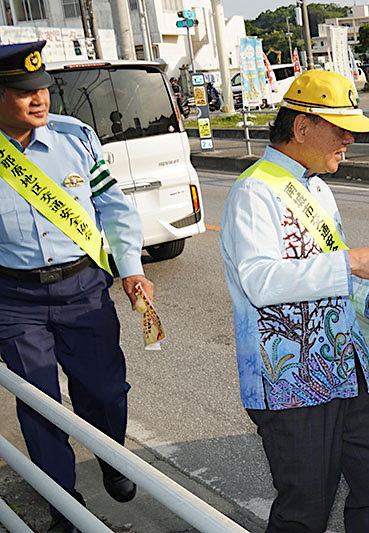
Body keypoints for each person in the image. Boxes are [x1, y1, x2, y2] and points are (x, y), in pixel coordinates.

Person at [219, 69, 369, 533]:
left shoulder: (316, 186)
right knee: (305, 512)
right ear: (302, 127)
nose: (348, 140)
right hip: (293, 385)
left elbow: (322, 273)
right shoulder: (254, 191)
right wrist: (351, 263)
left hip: (348, 371)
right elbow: (261, 281)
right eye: (340, 129)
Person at [0, 41, 153, 533]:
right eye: (24, 92)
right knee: (40, 406)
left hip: (84, 288)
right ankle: (63, 507)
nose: (39, 99)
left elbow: (115, 207)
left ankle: (111, 458)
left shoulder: (76, 138)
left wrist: (130, 268)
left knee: (105, 392)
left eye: (42, 88)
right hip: (14, 301)